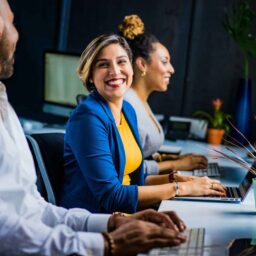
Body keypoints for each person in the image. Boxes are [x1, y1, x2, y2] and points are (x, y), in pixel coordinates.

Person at [0, 1, 187, 255]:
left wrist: (117, 223)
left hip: (95, 227)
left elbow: (34, 209)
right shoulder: (88, 115)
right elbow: (8, 230)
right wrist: (108, 241)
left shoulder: (5, 108)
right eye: (10, 22)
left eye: (122, 62)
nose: (16, 32)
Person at [60, 33, 226, 215]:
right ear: (90, 76)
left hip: (124, 215)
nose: (115, 71)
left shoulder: (128, 111)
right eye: (103, 64)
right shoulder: (88, 117)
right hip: (95, 221)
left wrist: (177, 180)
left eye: (121, 62)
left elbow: (135, 181)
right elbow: (112, 196)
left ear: (131, 68)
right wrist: (180, 188)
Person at [120, 15, 209, 176]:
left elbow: (142, 153)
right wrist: (175, 164)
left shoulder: (140, 101)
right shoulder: (127, 104)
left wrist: (171, 158)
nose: (171, 69)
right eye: (164, 61)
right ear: (142, 64)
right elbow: (128, 169)